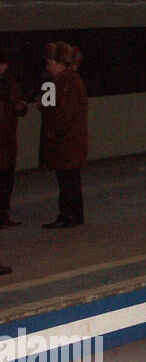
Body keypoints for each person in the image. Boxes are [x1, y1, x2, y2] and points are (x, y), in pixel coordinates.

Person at [39, 41, 88, 229]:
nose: (48, 66)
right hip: (69, 139)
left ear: (59, 63)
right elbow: (47, 105)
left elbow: (57, 111)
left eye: (50, 63)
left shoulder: (66, 82)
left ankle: (68, 215)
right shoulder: (64, 81)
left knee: (67, 181)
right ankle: (74, 215)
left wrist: (55, 133)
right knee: (70, 180)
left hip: (65, 140)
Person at [0, 44, 27, 227]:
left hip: (7, 137)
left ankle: (3, 213)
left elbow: (18, 103)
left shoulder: (11, 83)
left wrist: (21, 107)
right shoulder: (10, 83)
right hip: (5, 137)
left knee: (7, 178)